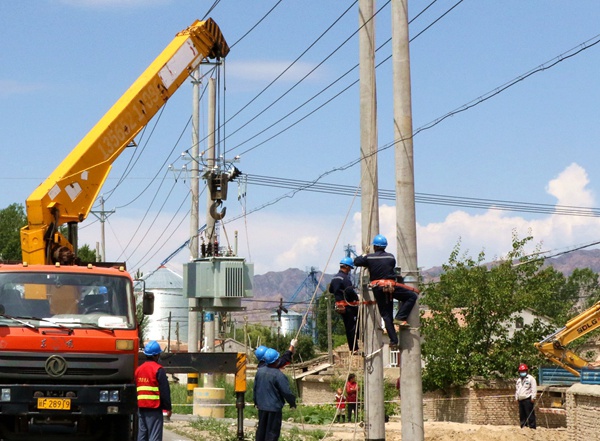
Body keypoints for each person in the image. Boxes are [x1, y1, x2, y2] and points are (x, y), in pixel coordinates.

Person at [353, 234, 418, 349]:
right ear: (384, 246)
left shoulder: (369, 258)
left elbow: (356, 262)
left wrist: (365, 254)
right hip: (391, 286)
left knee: (386, 314)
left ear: (375, 246)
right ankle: (400, 317)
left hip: (378, 288)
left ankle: (394, 340)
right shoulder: (391, 257)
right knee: (411, 296)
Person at [254, 348, 297, 441]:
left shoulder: (260, 372)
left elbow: (255, 389)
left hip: (262, 407)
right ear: (276, 360)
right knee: (272, 434)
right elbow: (286, 392)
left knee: (261, 432)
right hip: (274, 409)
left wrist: (256, 402)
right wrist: (292, 403)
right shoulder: (279, 375)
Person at [135, 340, 172, 441]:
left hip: (141, 408)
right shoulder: (158, 369)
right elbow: (164, 391)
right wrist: (168, 407)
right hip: (154, 408)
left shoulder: (139, 370)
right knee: (154, 436)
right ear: (156, 355)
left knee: (142, 436)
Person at [329, 257, 360, 352]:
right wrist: (356, 298)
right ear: (346, 267)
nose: (349, 270)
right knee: (356, 323)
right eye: (349, 268)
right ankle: (355, 346)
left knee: (348, 327)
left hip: (340, 306)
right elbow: (349, 290)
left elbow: (331, 290)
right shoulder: (345, 279)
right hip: (348, 306)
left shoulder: (335, 278)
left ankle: (354, 346)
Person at [515, 363, 537, 429]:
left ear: (526, 371)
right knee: (522, 415)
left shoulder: (531, 379)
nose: (522, 373)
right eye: (521, 371)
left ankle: (532, 428)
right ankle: (523, 427)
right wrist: (516, 397)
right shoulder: (518, 380)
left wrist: (533, 397)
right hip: (520, 400)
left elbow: (534, 388)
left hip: (528, 399)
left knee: (530, 414)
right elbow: (517, 390)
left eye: (523, 371)